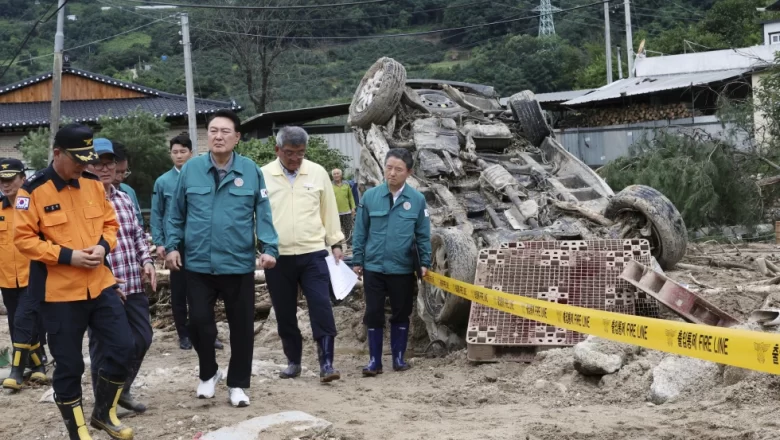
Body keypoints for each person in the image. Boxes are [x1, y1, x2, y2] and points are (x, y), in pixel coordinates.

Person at [14, 124, 135, 439]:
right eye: (78, 159)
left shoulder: (93, 184)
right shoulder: (33, 190)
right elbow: (24, 240)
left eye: (87, 159)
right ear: (57, 153)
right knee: (69, 365)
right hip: (58, 294)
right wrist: (68, 256)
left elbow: (110, 224)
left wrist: (103, 246)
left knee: (124, 347)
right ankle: (78, 429)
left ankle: (104, 413)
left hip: (100, 284)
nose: (85, 166)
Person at [165, 109, 278, 408]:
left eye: (225, 131)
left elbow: (263, 213)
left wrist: (269, 248)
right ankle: (209, 373)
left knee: (242, 328)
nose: (218, 136)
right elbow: (176, 213)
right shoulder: (191, 170)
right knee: (200, 322)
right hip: (198, 264)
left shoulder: (251, 170)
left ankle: (238, 384)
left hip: (237, 263)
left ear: (237, 137)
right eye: (213, 130)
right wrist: (171, 246)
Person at [261, 126, 345, 383]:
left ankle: (327, 364)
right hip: (278, 256)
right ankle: (293, 361)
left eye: (300, 153)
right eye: (289, 153)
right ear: (277, 150)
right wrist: (262, 247)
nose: (296, 159)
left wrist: (336, 242)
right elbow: (257, 215)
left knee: (321, 307)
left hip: (313, 253)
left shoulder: (317, 172)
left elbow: (328, 210)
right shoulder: (262, 175)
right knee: (284, 312)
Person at [87, 138, 157, 415]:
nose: (105, 168)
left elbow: (137, 235)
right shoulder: (83, 201)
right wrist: (105, 279)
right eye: (98, 163)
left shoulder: (124, 197)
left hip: (133, 281)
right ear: (87, 166)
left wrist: (148, 261)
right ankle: (104, 403)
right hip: (103, 286)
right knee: (103, 346)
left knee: (142, 337)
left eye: (110, 162)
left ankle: (122, 388)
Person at [352, 148, 431, 376]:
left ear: (409, 172)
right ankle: (374, 362)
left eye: (398, 169)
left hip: (402, 268)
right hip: (374, 267)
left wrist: (424, 262)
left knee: (401, 312)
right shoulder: (370, 197)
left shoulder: (417, 200)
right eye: (388, 167)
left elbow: (423, 234)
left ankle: (398, 358)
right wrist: (358, 258)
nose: (392, 173)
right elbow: (360, 231)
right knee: (374, 313)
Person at [1, 158, 48, 391]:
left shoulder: (33, 205)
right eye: (1, 181)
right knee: (17, 323)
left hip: (34, 275)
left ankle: (16, 372)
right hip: (7, 278)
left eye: (10, 180)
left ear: (22, 178)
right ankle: (39, 366)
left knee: (24, 320)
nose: (5, 185)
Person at [151, 134, 195, 350]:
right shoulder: (163, 182)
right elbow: (157, 215)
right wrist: (161, 242)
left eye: (183, 151)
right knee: (179, 292)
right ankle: (183, 334)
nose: (179, 155)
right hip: (175, 245)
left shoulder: (200, 176)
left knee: (204, 292)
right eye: (175, 152)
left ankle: (205, 333)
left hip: (200, 243)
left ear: (191, 153)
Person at [112, 142, 144, 228]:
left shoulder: (129, 191)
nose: (119, 178)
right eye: (116, 172)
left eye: (123, 172)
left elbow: (139, 222)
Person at [331, 168, 356, 246]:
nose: (336, 175)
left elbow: (350, 197)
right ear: (332, 176)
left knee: (348, 229)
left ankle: (349, 246)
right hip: (335, 213)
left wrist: (353, 207)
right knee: (337, 231)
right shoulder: (330, 185)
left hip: (346, 211)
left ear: (341, 175)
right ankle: (339, 247)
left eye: (338, 173)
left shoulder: (346, 184)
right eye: (334, 174)